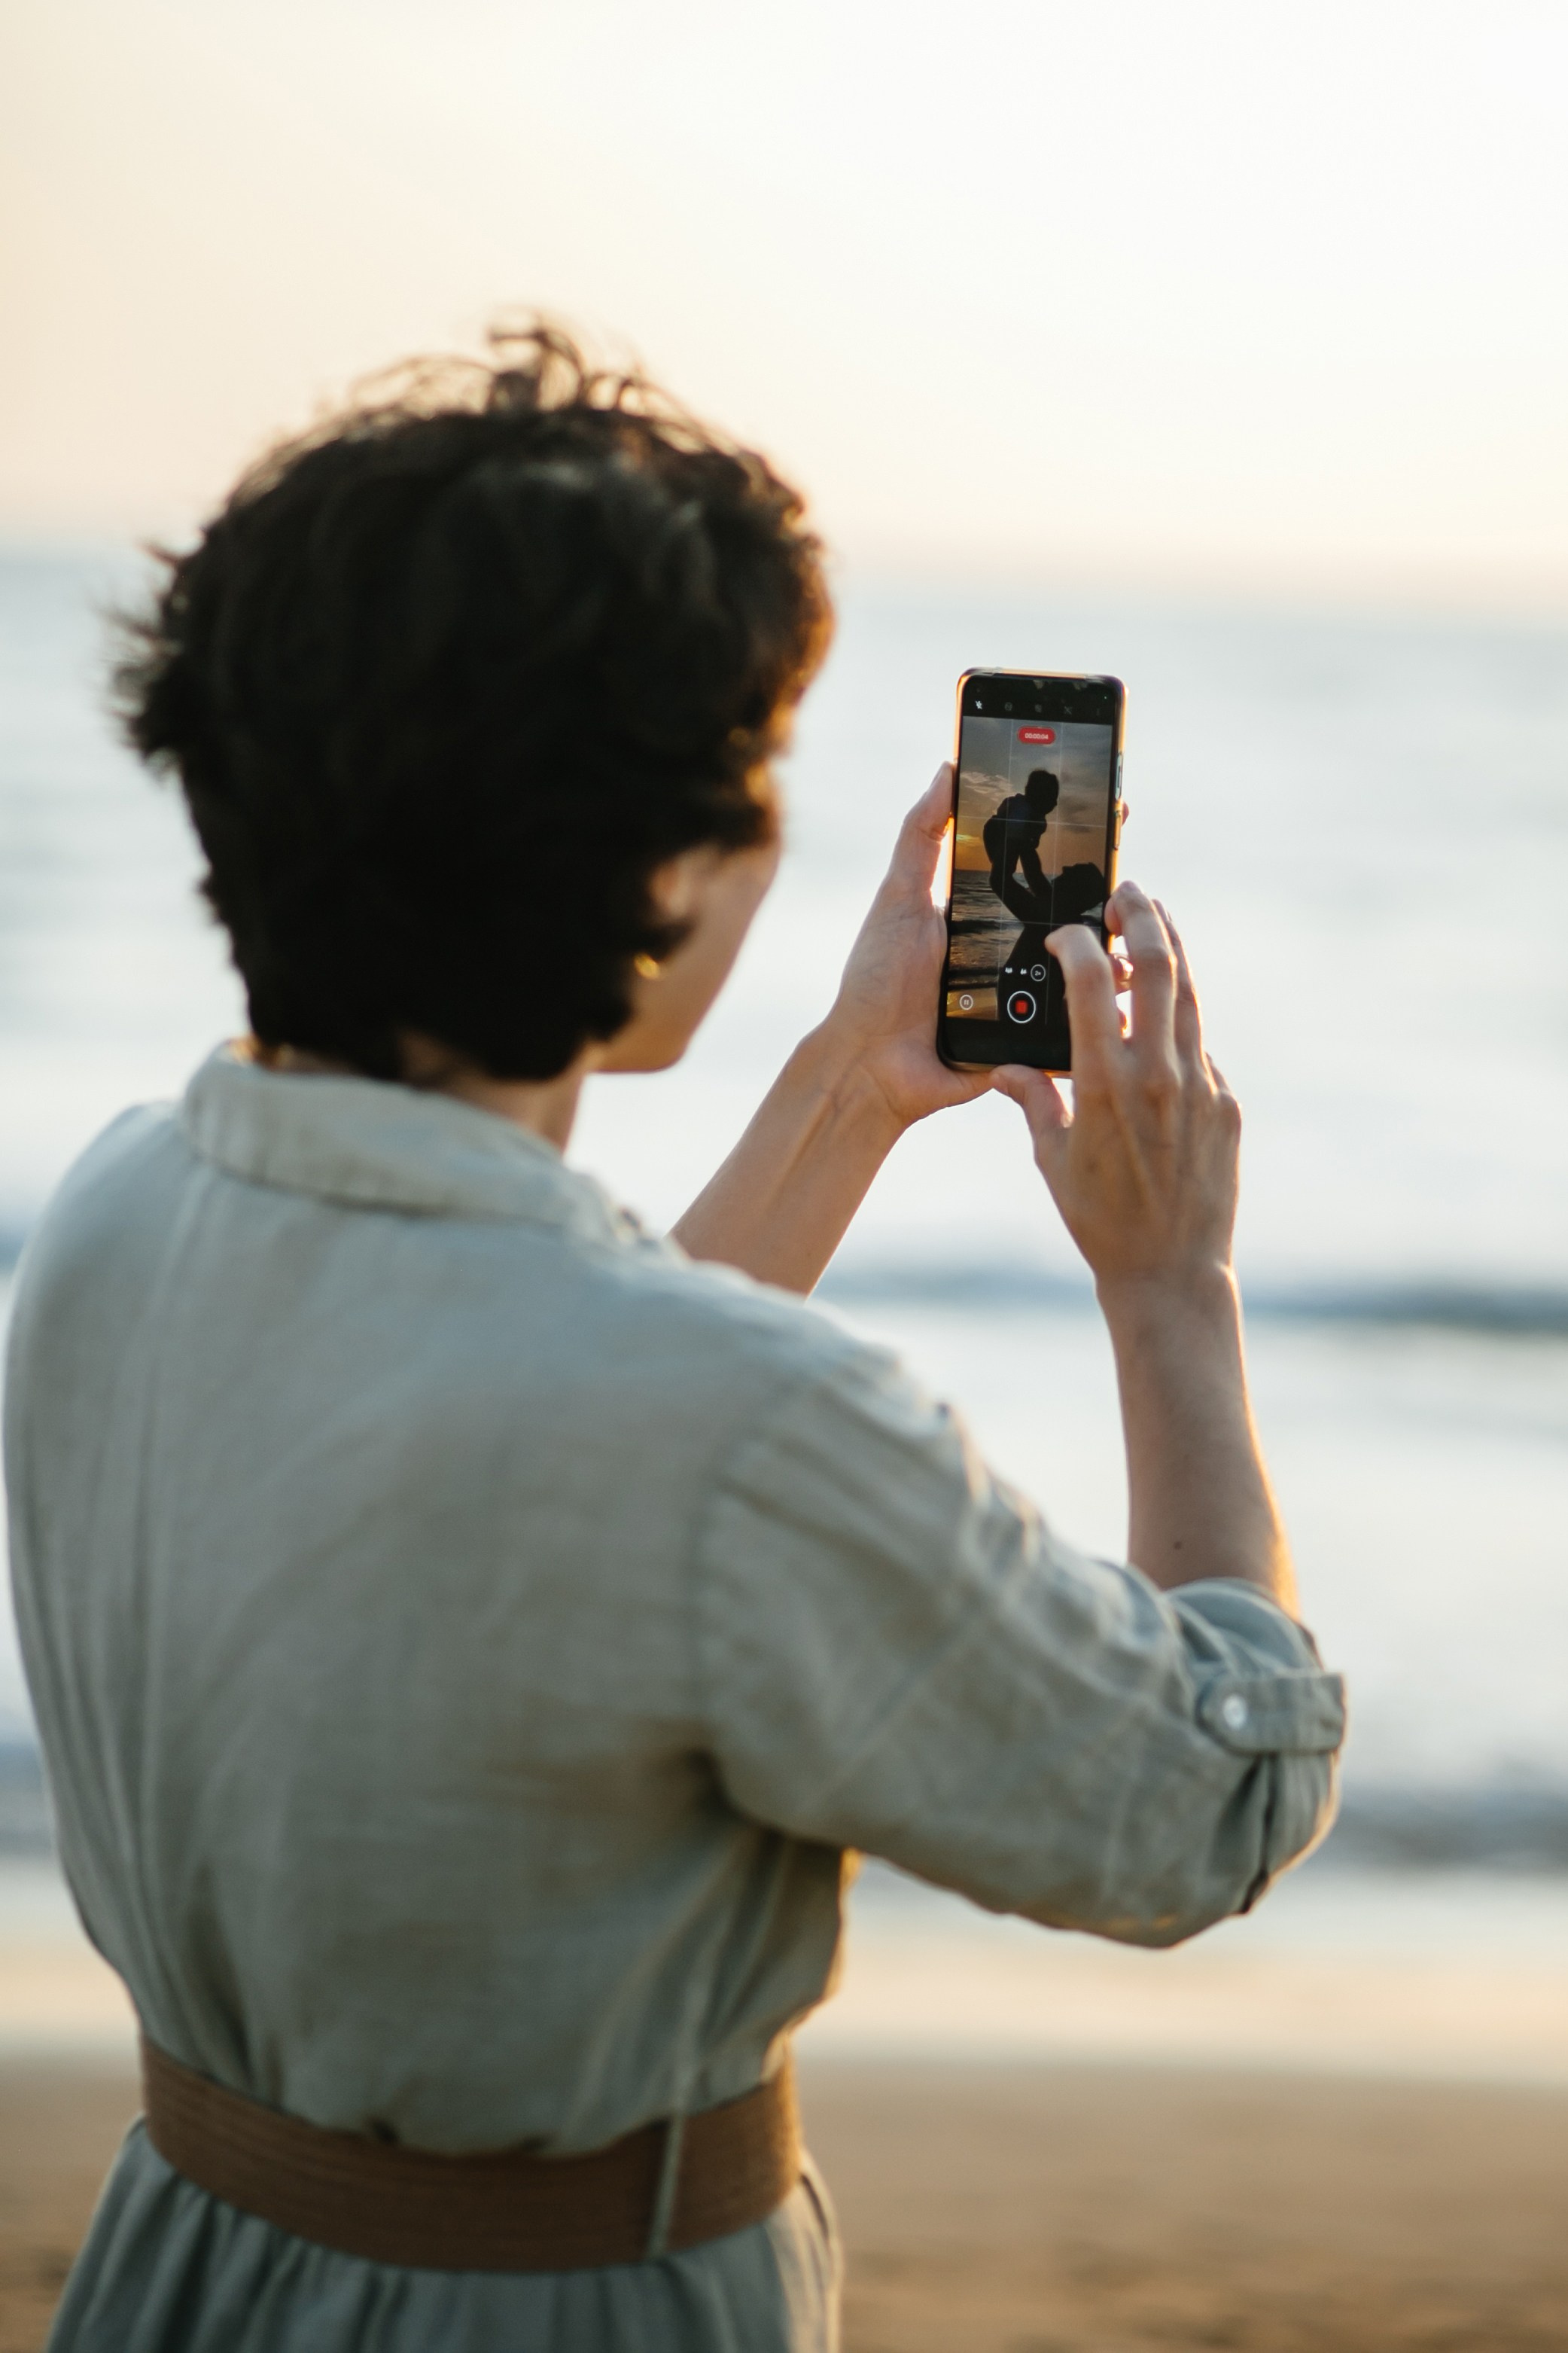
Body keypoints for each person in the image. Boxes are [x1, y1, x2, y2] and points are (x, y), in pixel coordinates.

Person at [4, 325, 1344, 2353]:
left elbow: (546, 1444)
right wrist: (1172, 1294)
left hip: (176, 2268)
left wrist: (848, 1089)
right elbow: (1196, 1808)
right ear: (668, 865)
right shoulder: (740, 1434)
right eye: (756, 771)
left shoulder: (116, 1216)